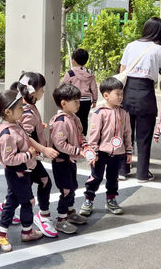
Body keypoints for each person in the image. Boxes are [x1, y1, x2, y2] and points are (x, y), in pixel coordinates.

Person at [118, 17, 161, 182]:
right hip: (146, 94)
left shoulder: (131, 45)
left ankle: (122, 170)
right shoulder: (160, 50)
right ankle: (142, 174)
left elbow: (122, 70)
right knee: (144, 136)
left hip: (127, 92)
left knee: (125, 133)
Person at [0, 90, 43, 252]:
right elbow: (9, 159)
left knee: (12, 202)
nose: (23, 110)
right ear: (7, 112)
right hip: (17, 172)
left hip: (22, 171)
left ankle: (2, 233)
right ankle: (26, 232)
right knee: (28, 202)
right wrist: (28, 154)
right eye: (20, 107)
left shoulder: (14, 124)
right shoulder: (7, 134)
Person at [11, 72, 59, 238]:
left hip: (25, 158)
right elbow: (25, 136)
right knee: (45, 182)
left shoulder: (24, 105)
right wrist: (44, 149)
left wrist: (39, 126)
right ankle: (42, 216)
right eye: (42, 88)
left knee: (18, 189)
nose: (43, 91)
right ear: (33, 91)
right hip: (27, 158)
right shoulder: (28, 112)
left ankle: (6, 210)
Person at [80, 77, 133, 216]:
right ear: (106, 95)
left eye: (122, 94)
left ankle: (111, 200)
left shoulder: (124, 113)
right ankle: (88, 200)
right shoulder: (100, 113)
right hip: (101, 152)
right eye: (117, 94)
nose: (121, 97)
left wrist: (128, 151)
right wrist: (93, 151)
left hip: (118, 153)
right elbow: (94, 134)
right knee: (95, 177)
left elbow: (128, 133)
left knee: (113, 177)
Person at [48, 83, 90, 234]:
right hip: (61, 161)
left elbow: (80, 135)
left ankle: (70, 213)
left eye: (79, 101)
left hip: (71, 160)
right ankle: (61, 220)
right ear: (64, 103)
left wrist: (86, 146)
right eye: (76, 101)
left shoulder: (74, 118)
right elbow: (60, 144)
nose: (79, 104)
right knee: (66, 189)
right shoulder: (60, 121)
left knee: (73, 186)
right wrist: (78, 150)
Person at [63, 48, 98, 135]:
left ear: (73, 60)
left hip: (73, 101)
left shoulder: (70, 73)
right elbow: (94, 87)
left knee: (72, 118)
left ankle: (73, 137)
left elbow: (64, 87)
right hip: (86, 101)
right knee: (84, 119)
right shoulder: (90, 73)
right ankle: (83, 138)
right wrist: (94, 100)